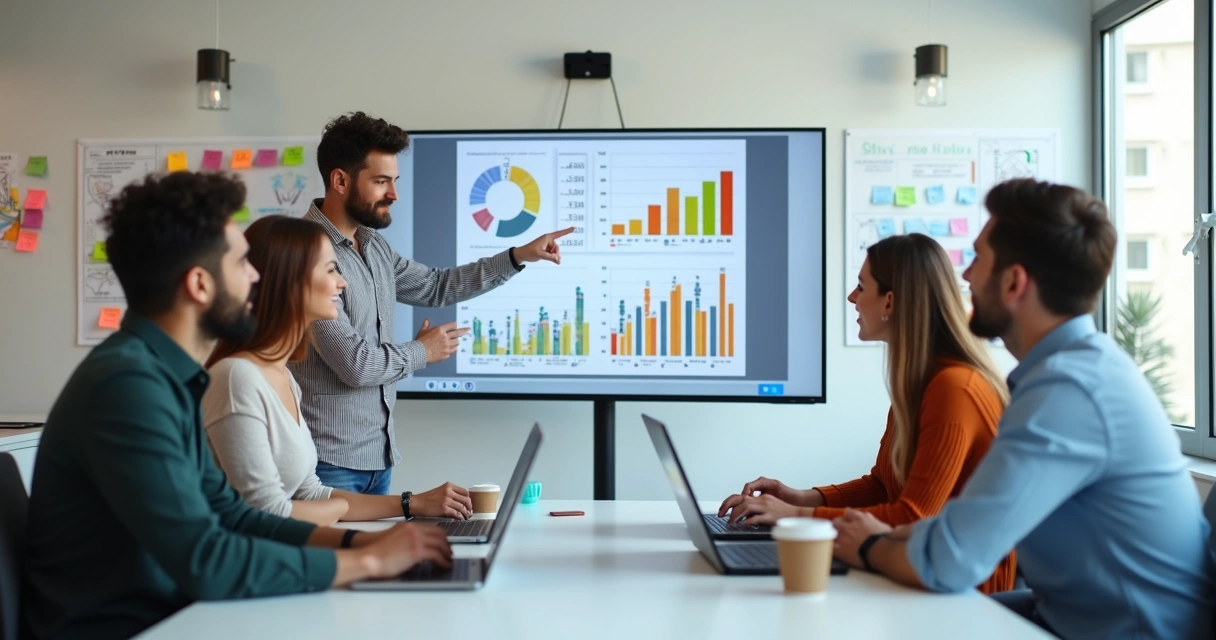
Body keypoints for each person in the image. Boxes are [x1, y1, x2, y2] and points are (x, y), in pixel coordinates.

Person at [22, 173, 452, 640]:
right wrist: (366, 561)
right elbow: (206, 560)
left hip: (175, 616)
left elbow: (238, 518)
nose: (255, 277)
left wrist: (364, 543)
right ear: (200, 284)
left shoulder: (169, 377)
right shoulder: (127, 387)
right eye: (242, 262)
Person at [833, 179, 1215, 640]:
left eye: (977, 259)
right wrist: (876, 537)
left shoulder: (1069, 391)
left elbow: (950, 559)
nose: (967, 277)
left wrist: (868, 544)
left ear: (1014, 282)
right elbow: (954, 530)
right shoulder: (1067, 374)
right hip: (1067, 613)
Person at [289, 112, 572, 496]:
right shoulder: (304, 253)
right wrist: (422, 352)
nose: (394, 194)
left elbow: (437, 286)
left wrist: (517, 255)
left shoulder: (373, 244)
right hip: (329, 465)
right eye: (381, 181)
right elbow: (356, 365)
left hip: (379, 459)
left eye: (395, 180)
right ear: (340, 180)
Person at [718, 233, 1015, 594]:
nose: (852, 298)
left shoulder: (955, 387)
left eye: (861, 287)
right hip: (917, 572)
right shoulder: (921, 380)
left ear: (889, 301)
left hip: (967, 595)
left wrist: (798, 518)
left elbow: (912, 516)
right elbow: (882, 486)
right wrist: (802, 497)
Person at [202, 215, 473, 525]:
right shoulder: (238, 378)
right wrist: (349, 523)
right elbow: (268, 515)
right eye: (331, 270)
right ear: (290, 281)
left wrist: (413, 504)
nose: (343, 282)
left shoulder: (284, 376)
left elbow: (311, 494)